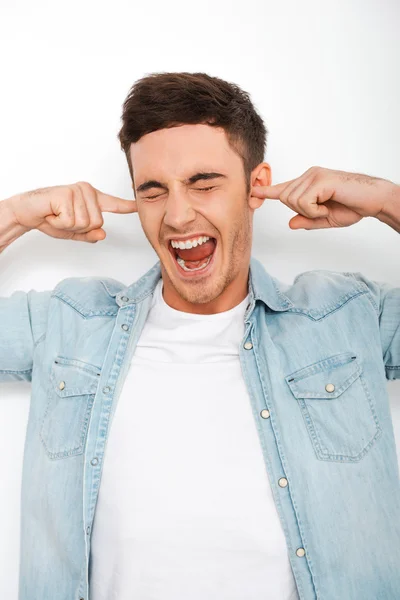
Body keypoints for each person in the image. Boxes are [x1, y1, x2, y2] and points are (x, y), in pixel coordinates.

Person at [1, 72, 399, 600]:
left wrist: (387, 201)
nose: (178, 214)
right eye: (153, 190)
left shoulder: (345, 316)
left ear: (257, 186)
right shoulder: (71, 322)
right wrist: (14, 215)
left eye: (204, 183)